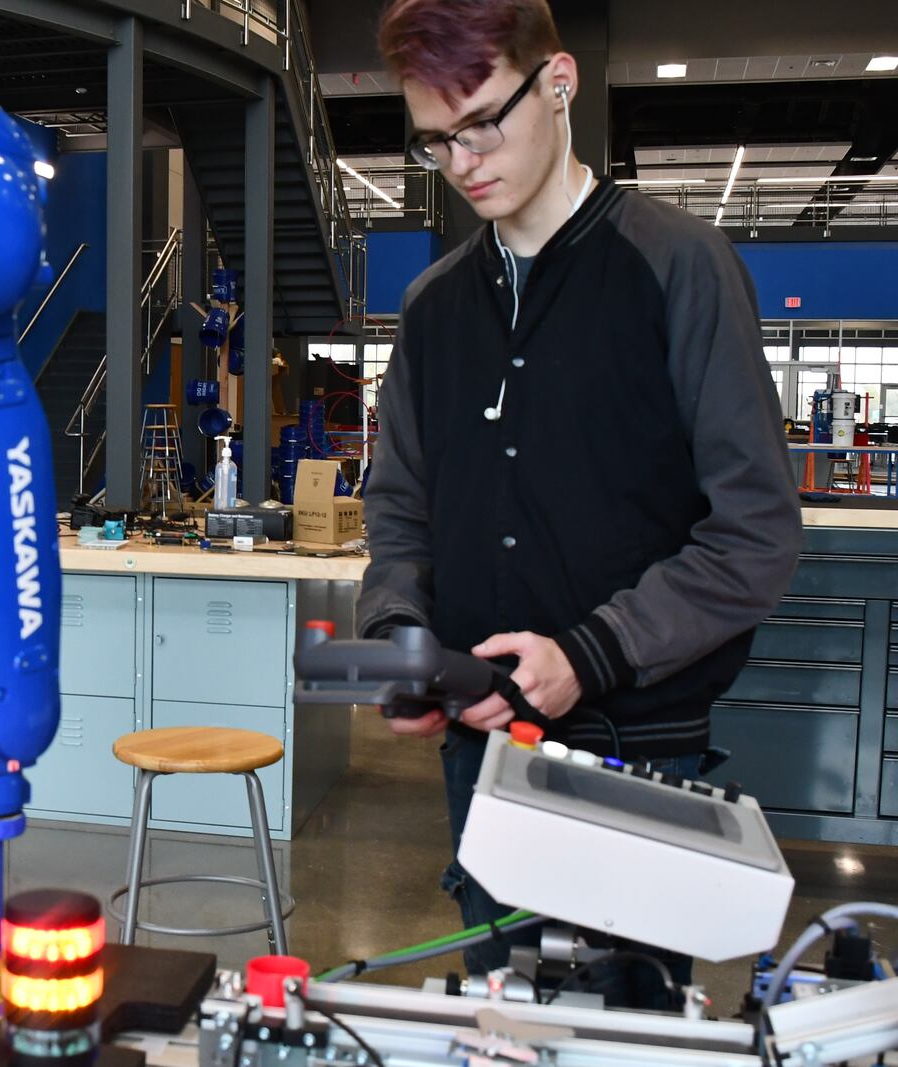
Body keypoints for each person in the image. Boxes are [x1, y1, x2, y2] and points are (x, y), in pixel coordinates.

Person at [357, 0, 802, 1004]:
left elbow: (754, 534)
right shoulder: (432, 311)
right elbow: (398, 511)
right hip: (483, 747)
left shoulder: (679, 268)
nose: (463, 160)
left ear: (557, 81)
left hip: (633, 752)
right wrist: (401, 635)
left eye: (482, 121)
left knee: (626, 1019)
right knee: (502, 1009)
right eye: (436, 141)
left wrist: (588, 655)